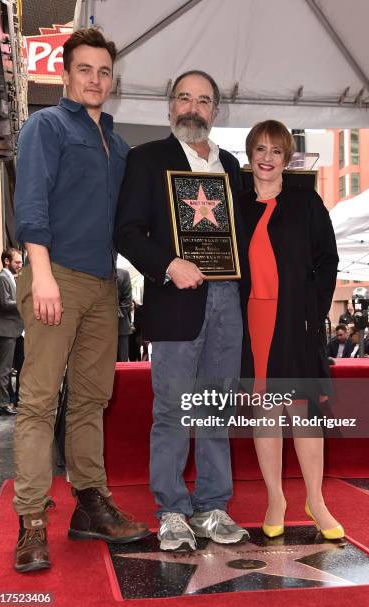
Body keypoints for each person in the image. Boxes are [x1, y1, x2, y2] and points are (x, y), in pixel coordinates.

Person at [13, 28, 149, 574]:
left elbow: (129, 223)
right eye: (85, 69)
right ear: (65, 74)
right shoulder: (46, 125)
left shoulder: (118, 146)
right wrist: (40, 273)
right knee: (39, 400)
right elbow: (31, 200)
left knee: (92, 399)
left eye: (104, 72)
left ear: (112, 81)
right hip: (55, 275)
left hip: (101, 283)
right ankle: (31, 522)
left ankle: (90, 504)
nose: (95, 79)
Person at [114, 70, 249, 552]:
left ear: (216, 110)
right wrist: (169, 265)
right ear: (170, 106)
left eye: (204, 100)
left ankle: (214, 505)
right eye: (184, 98)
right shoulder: (147, 159)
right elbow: (126, 232)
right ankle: (171, 509)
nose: (193, 107)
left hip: (227, 301)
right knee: (172, 410)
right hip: (175, 301)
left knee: (216, 409)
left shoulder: (232, 166)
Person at [239, 120, 344, 540]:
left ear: (287, 158)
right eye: (260, 149)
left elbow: (328, 260)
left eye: (276, 151)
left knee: (304, 413)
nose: (267, 157)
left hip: (296, 321)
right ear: (250, 154)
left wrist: (313, 312)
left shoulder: (305, 202)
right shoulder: (238, 206)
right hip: (251, 322)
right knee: (265, 413)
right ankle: (275, 498)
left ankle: (315, 500)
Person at [0, 248, 24, 416]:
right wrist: (24, 300)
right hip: (6, 331)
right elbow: (5, 304)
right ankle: (3, 404)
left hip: (13, 331)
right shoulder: (2, 278)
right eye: (17, 262)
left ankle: (12, 400)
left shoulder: (9, 277)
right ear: (6, 261)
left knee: (19, 366)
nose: (20, 265)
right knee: (4, 369)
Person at [116, 268, 133, 361]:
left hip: (121, 327)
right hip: (98, 327)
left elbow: (127, 301)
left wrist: (112, 315)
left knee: (122, 362)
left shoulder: (123, 274)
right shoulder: (95, 272)